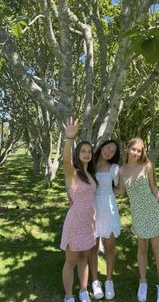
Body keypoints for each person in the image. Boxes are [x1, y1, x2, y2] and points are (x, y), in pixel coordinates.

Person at [116, 137, 159, 302]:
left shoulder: (147, 166)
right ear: (127, 149)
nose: (136, 153)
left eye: (139, 151)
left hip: (152, 211)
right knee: (141, 249)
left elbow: (155, 188)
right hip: (138, 214)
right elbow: (120, 191)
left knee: (156, 247)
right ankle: (143, 282)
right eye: (134, 149)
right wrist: (101, 188)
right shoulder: (122, 170)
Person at [60, 117, 98, 302]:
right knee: (71, 261)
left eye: (89, 151)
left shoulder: (91, 173)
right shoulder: (73, 172)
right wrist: (69, 139)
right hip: (75, 223)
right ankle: (69, 296)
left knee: (84, 258)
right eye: (82, 151)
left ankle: (83, 291)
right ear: (78, 153)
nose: (86, 153)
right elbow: (66, 160)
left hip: (89, 223)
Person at [89, 140, 121, 300]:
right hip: (91, 209)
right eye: (108, 147)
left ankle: (109, 281)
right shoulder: (89, 165)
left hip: (108, 210)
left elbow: (121, 189)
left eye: (113, 151)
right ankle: (95, 281)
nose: (109, 151)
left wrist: (107, 192)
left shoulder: (114, 168)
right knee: (92, 248)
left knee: (110, 248)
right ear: (102, 146)